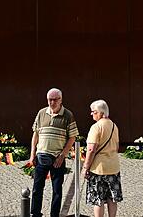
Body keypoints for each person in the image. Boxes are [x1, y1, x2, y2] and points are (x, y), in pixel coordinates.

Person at [28, 88, 78, 217]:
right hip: (41, 155)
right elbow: (36, 134)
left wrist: (62, 156)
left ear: (61, 100)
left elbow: (72, 137)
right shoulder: (41, 113)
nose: (52, 102)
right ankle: (35, 213)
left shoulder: (68, 115)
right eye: (50, 100)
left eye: (55, 100)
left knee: (57, 190)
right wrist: (32, 154)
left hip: (57, 158)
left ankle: (54, 215)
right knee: (37, 188)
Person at [81, 99, 122, 217]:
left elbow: (91, 149)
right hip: (114, 167)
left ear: (101, 113)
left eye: (93, 112)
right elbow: (117, 146)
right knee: (112, 198)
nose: (91, 114)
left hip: (98, 168)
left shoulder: (96, 127)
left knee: (98, 199)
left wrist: (85, 167)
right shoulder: (114, 126)